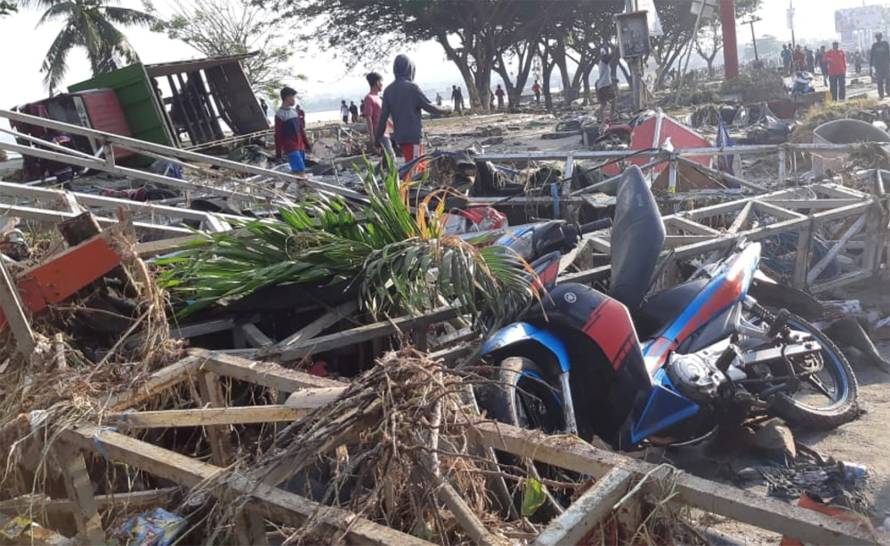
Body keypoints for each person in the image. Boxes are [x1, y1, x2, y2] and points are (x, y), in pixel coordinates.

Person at [375, 54, 450, 176]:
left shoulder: (388, 90)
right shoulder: (412, 88)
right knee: (414, 168)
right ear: (410, 69)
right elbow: (429, 107)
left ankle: (411, 189)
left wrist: (377, 139)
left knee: (413, 164)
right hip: (413, 136)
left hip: (400, 136)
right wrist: (446, 110)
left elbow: (383, 118)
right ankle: (411, 192)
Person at [275, 86, 312, 173]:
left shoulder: (294, 112)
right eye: (293, 97)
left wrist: (307, 145)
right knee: (300, 170)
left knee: (299, 171)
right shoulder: (280, 115)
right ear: (287, 98)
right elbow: (278, 135)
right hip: (290, 147)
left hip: (300, 146)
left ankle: (292, 186)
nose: (294, 100)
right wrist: (278, 153)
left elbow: (301, 130)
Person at [362, 71, 394, 159]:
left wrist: (394, 127)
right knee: (391, 157)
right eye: (381, 82)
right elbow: (368, 118)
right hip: (379, 133)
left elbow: (384, 117)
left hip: (386, 132)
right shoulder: (369, 98)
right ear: (377, 83)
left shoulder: (379, 98)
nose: (382, 85)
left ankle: (379, 172)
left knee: (386, 159)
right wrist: (372, 137)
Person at [595, 48, 616, 125]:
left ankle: (601, 120)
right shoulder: (604, 61)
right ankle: (610, 118)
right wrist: (616, 48)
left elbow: (605, 74)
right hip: (606, 85)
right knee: (613, 101)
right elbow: (610, 56)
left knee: (603, 104)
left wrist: (614, 79)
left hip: (601, 86)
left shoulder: (602, 62)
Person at [871, 32, 890, 99]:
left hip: (886, 65)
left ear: (881, 37)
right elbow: (872, 56)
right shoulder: (874, 46)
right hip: (878, 66)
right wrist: (871, 67)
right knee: (879, 81)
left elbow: (888, 53)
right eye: (877, 37)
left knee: (888, 79)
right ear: (876, 38)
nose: (878, 38)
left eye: (879, 37)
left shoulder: (885, 44)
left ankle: (888, 91)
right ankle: (881, 94)